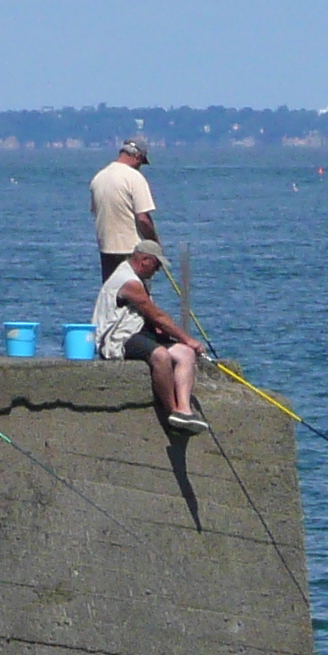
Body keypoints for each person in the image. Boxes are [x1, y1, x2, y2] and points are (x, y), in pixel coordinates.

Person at [92, 240, 209, 434]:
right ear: (145, 260)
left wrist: (181, 342)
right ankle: (172, 411)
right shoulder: (128, 281)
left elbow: (148, 316)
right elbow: (157, 315)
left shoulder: (138, 279)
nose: (158, 270)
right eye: (157, 265)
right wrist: (187, 338)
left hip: (139, 331)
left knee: (186, 354)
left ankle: (184, 410)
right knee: (160, 355)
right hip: (119, 338)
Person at [90, 137, 158, 276]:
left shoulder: (98, 178)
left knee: (113, 292)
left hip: (107, 250)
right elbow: (143, 219)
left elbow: (96, 212)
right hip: (132, 251)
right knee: (134, 293)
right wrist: (155, 245)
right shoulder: (134, 178)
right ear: (137, 157)